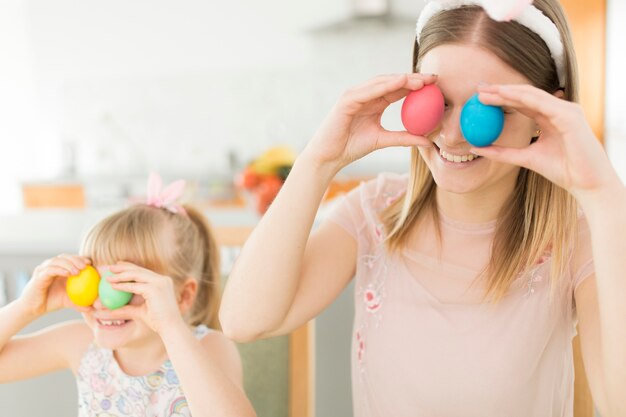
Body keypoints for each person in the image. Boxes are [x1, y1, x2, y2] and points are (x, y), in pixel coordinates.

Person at [219, 1, 626, 416]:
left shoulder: (578, 239)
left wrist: (605, 197)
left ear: (547, 114)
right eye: (438, 102)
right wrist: (318, 161)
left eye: (487, 111)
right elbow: (244, 321)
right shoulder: (375, 213)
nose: (450, 136)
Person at [0, 173, 256, 417]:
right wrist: (25, 307)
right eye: (95, 281)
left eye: (125, 283)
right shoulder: (81, 343)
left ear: (182, 296)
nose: (102, 302)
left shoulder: (208, 347)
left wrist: (170, 327)